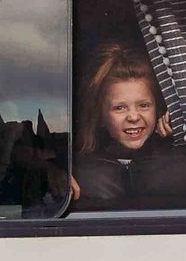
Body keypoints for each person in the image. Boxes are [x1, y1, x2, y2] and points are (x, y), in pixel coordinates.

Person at [71, 44, 175, 208]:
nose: (133, 117)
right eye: (119, 108)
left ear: (158, 108)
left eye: (144, 105)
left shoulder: (174, 158)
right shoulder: (76, 166)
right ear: (100, 116)